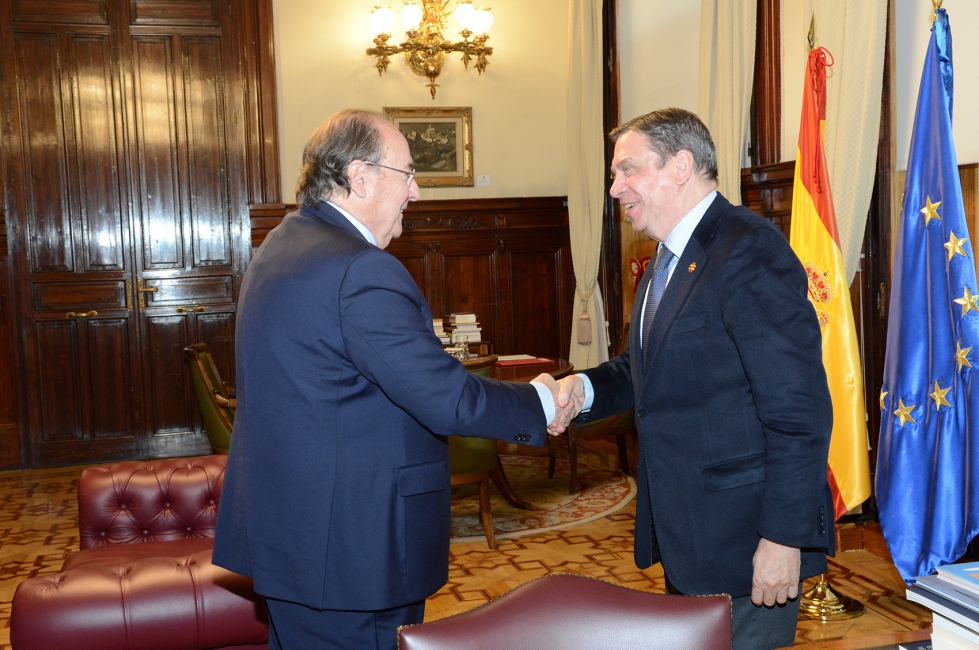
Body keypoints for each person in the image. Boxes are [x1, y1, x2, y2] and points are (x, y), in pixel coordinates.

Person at [212, 109, 576, 649]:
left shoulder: (281, 246)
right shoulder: (359, 268)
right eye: (407, 175)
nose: (418, 193)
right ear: (360, 177)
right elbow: (445, 398)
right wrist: (539, 403)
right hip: (352, 552)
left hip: (296, 539)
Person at [555, 108, 834, 650]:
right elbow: (647, 374)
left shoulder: (747, 249)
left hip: (746, 542)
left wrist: (782, 538)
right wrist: (582, 388)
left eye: (627, 171)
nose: (615, 189)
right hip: (690, 532)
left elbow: (799, 411)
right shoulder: (667, 258)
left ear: (680, 166)